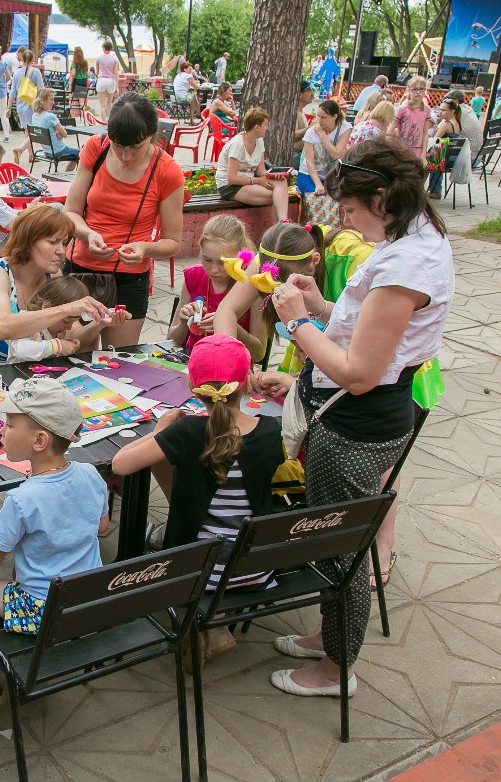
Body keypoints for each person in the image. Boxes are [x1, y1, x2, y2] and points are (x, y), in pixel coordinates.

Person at [256, 136, 453, 698]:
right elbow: (363, 326)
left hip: (356, 423)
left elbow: (359, 372)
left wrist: (297, 323)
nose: (343, 220)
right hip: (363, 415)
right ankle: (329, 638)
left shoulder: (406, 266)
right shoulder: (412, 240)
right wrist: (320, 304)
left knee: (340, 548)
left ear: (383, 199)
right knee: (335, 540)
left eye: (348, 209)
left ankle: (336, 671)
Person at [111, 334, 283, 661]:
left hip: (197, 573)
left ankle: (206, 624)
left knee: (165, 460)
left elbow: (120, 464)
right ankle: (216, 623)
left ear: (192, 386)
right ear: (247, 383)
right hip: (257, 567)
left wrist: (160, 432)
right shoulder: (270, 431)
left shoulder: (187, 432)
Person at [0, 376, 109, 707]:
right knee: (20, 568)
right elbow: (101, 525)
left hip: (43, 611)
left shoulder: (23, 498)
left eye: (11, 425)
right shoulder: (91, 474)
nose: (2, 429)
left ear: (39, 441)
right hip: (88, 600)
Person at [63, 91, 185, 347]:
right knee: (74, 352)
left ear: (152, 135)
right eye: (118, 146)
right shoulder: (96, 148)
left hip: (128, 279)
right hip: (80, 270)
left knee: (118, 359)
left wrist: (145, 248)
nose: (126, 156)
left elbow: (173, 242)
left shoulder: (166, 170)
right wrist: (88, 234)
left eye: (135, 148)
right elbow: (71, 212)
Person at [0, 204, 122, 362]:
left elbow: (73, 335)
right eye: (53, 242)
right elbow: (2, 327)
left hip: (33, 370)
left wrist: (100, 323)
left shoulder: (52, 275)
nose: (62, 251)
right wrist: (66, 308)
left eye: (64, 243)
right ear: (27, 241)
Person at [212, 221, 326, 365]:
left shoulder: (343, 269)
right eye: (270, 284)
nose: (281, 293)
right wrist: (227, 358)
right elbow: (227, 309)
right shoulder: (268, 261)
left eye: (293, 284)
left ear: (315, 260)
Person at [168, 215, 253, 349]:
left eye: (223, 262)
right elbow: (171, 340)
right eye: (207, 260)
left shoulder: (250, 284)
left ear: (240, 257)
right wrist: (183, 324)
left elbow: (259, 353)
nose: (213, 269)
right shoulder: (194, 276)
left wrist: (228, 323)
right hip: (194, 357)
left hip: (232, 360)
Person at [214, 106, 290, 221]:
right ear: (257, 127)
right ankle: (281, 225)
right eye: (265, 125)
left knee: (281, 182)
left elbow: (260, 171)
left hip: (250, 181)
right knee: (278, 196)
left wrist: (273, 175)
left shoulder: (259, 141)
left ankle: (283, 222)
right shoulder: (237, 145)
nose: (267, 128)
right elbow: (231, 178)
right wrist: (258, 181)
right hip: (230, 186)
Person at [5, 276, 89, 362]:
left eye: (73, 322)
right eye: (66, 321)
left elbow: (46, 346)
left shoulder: (57, 330)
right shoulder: (27, 321)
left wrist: (65, 343)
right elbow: (21, 351)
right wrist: (58, 346)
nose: (69, 328)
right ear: (47, 307)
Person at [299, 99, 352, 196]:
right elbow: (309, 162)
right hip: (308, 174)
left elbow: (336, 154)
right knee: (316, 196)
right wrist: (318, 184)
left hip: (331, 175)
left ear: (334, 117)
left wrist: (323, 135)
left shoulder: (344, 128)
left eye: (323, 117)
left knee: (339, 196)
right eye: (318, 116)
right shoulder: (311, 132)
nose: (319, 120)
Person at [28, 88, 80, 169]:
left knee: (76, 155)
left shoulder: (35, 115)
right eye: (51, 100)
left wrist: (59, 134)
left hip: (47, 151)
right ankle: (69, 175)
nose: (53, 102)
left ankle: (67, 175)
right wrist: (60, 134)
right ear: (42, 101)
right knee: (83, 153)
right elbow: (65, 134)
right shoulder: (50, 116)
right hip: (58, 151)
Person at [10, 49, 46, 163]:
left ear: (22, 59)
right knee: (32, 131)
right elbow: (41, 90)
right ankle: (20, 150)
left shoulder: (16, 73)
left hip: (20, 106)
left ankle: (31, 155)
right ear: (32, 59)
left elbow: (12, 92)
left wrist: (8, 107)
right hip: (32, 105)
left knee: (27, 130)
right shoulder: (36, 72)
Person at [426, 98, 463, 199]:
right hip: (451, 156)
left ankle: (427, 189)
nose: (440, 112)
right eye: (440, 109)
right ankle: (435, 189)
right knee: (434, 158)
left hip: (444, 158)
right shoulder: (456, 122)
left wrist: (434, 125)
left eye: (443, 110)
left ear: (452, 111)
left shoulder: (446, 124)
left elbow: (433, 141)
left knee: (424, 160)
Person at [394, 76, 433, 160]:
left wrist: (423, 153)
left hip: (418, 150)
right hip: (402, 150)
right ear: (409, 90)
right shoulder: (402, 109)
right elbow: (391, 130)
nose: (418, 92)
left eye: (421, 89)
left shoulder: (426, 109)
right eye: (415, 89)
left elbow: (425, 133)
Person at [446, 88, 484, 167]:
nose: (445, 102)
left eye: (447, 100)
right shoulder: (469, 109)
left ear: (456, 100)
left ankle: (434, 175)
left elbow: (442, 126)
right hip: (478, 157)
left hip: (468, 159)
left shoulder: (457, 111)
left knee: (436, 157)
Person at [94, 41, 122, 118]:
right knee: (109, 103)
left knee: (102, 105)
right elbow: (116, 73)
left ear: (104, 47)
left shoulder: (99, 58)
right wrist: (117, 86)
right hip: (111, 81)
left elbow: (97, 71)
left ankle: (103, 121)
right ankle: (109, 120)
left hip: (101, 80)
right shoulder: (115, 59)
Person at [293, 81, 316, 168]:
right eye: (309, 91)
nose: (312, 94)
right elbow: (294, 135)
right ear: (300, 95)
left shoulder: (301, 112)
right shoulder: (294, 112)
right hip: (295, 154)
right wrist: (310, 127)